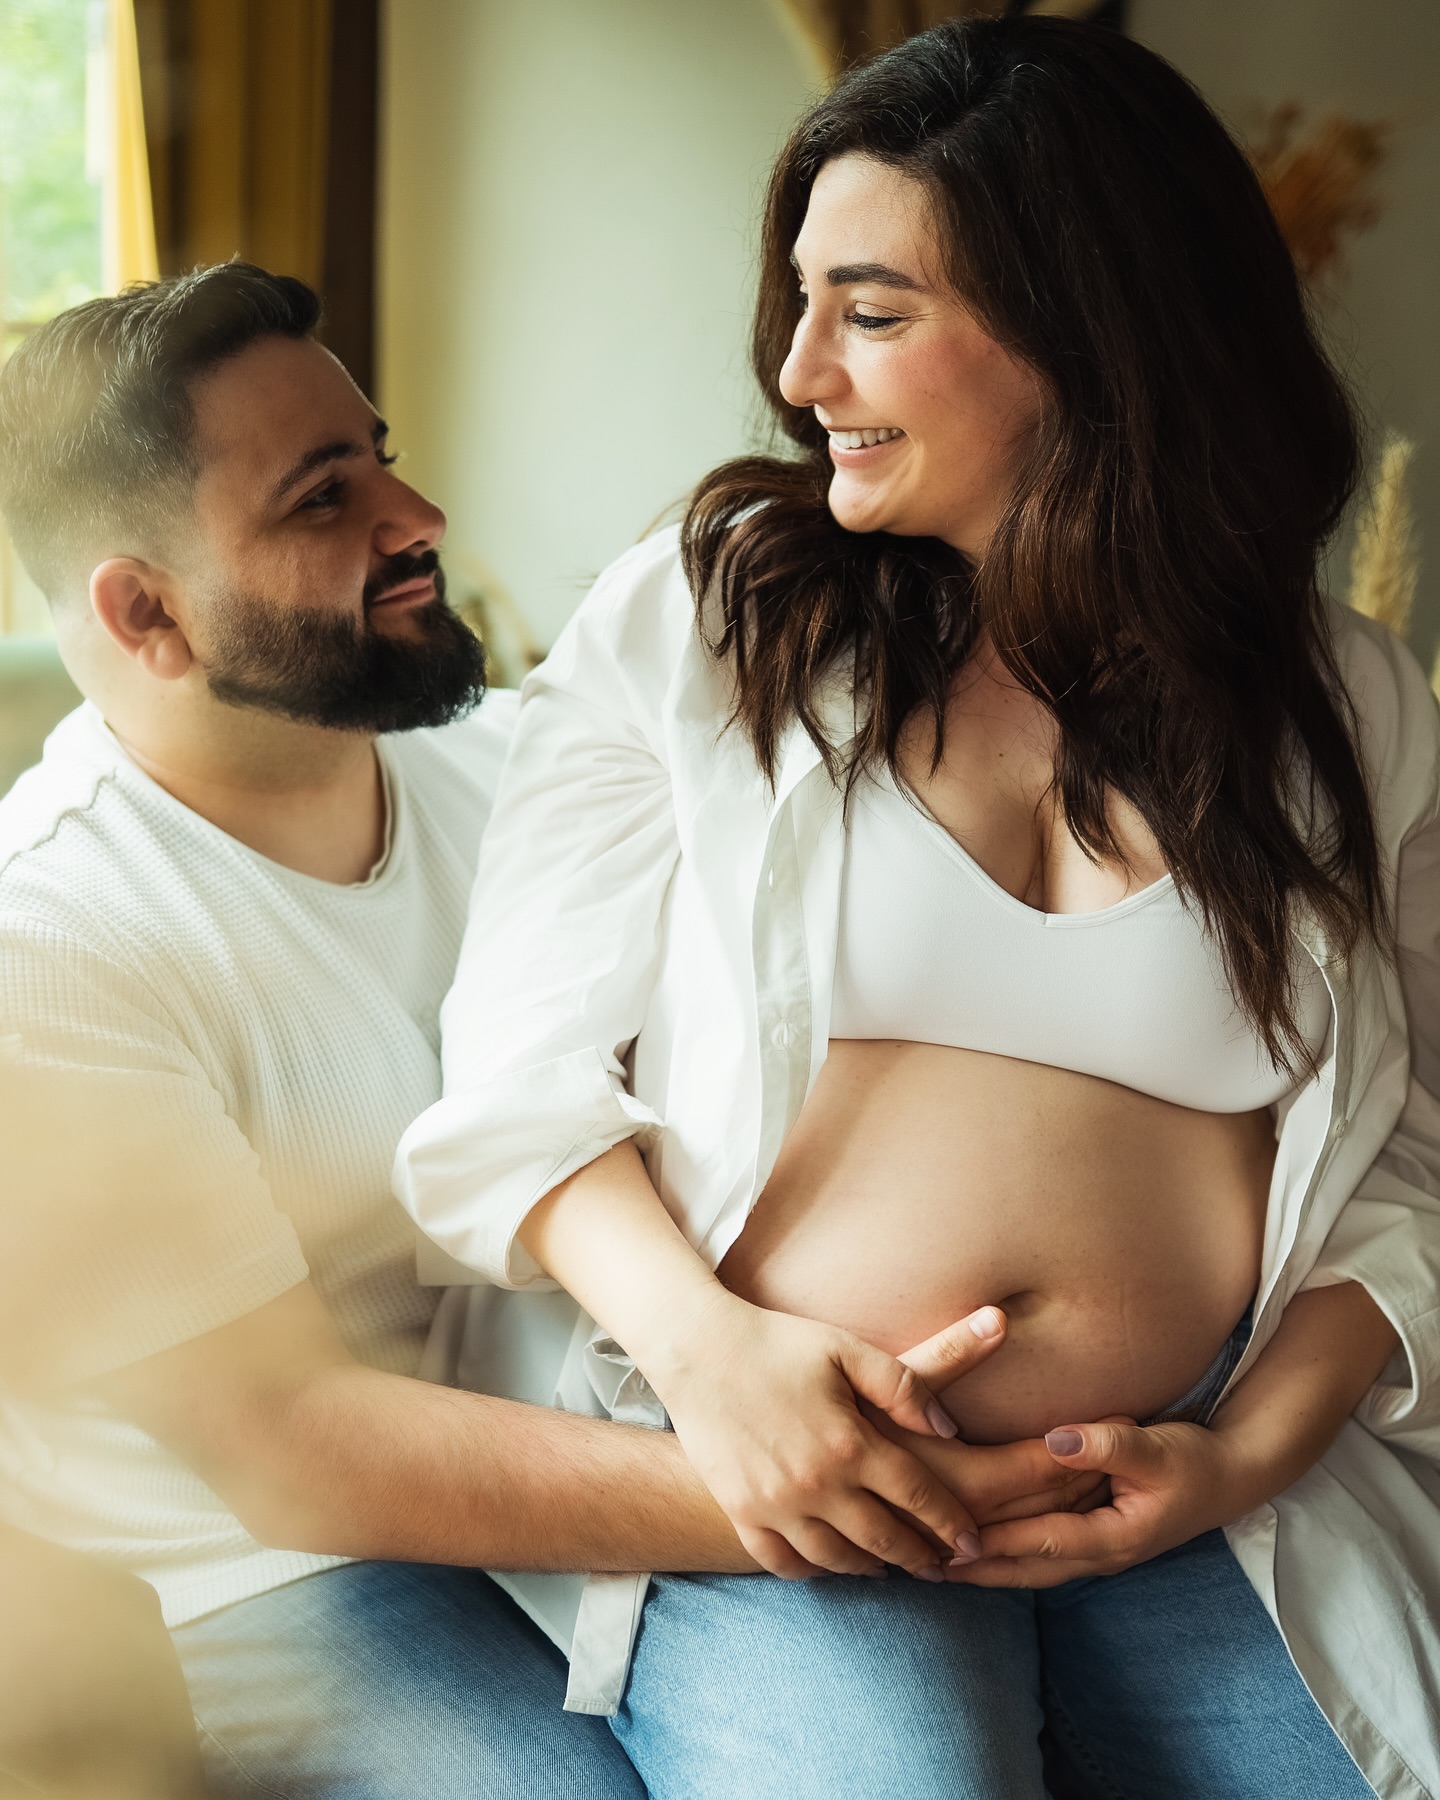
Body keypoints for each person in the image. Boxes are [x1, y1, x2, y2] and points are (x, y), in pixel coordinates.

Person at [396, 18, 1440, 1799]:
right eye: (801, 300)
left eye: (871, 312)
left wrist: (1247, 1452)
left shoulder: (1348, 706)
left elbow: (1410, 1153)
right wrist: (722, 1368)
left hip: (1182, 1484)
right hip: (776, 1471)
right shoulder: (707, 620)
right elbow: (517, 1089)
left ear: (1098, 339)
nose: (800, 371)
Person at [0, 262, 1097, 1798]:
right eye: (327, 498)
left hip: (584, 1406)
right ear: (142, 611)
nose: (419, 515)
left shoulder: (525, 761)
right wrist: (859, 1495)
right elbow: (289, 1448)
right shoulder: (49, 945)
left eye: (378, 450)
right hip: (276, 1563)